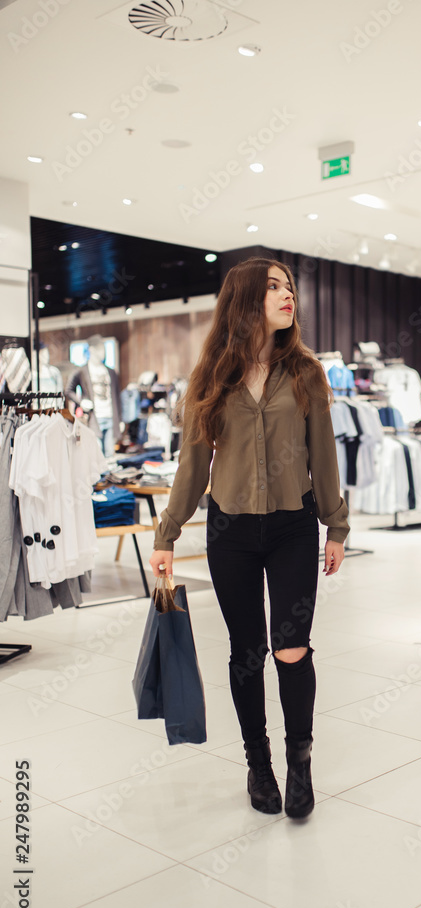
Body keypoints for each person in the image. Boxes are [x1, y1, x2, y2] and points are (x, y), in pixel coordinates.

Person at [149, 258, 349, 819]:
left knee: (292, 648)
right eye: (273, 288)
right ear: (244, 300)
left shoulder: (307, 372)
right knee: (247, 652)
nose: (288, 296)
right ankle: (258, 765)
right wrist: (166, 534)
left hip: (291, 526)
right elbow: (192, 466)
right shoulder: (212, 374)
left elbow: (323, 458)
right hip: (230, 530)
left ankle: (299, 763)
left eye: (290, 287)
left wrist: (336, 525)